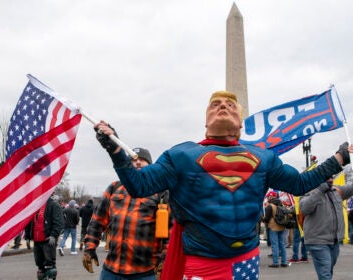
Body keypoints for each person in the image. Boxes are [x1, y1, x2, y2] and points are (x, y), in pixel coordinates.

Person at [93, 90, 353, 279]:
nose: (222, 106)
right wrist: (114, 147)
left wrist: (339, 158)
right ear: (206, 122)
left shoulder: (264, 158)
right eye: (214, 104)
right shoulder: (181, 155)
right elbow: (139, 185)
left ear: (240, 122)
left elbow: (299, 183)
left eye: (230, 104)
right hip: (200, 264)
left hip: (246, 261)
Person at [82, 147, 172, 280]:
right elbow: (97, 221)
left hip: (145, 272)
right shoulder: (114, 188)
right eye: (134, 159)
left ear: (150, 166)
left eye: (143, 160)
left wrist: (165, 259)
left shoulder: (161, 193)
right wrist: (89, 247)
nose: (138, 162)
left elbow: (170, 231)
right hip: (111, 270)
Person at [300, 164, 353, 280]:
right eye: (327, 176)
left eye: (331, 176)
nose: (330, 178)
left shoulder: (336, 190)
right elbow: (304, 208)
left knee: (328, 271)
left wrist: (349, 167)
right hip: (317, 241)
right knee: (325, 274)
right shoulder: (309, 191)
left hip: (334, 241)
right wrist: (321, 189)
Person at [25, 193, 64, 280]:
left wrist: (54, 235)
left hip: (48, 240)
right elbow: (29, 222)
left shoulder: (54, 205)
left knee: (50, 268)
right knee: (40, 267)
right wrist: (27, 236)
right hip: (37, 240)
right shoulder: (35, 206)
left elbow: (59, 222)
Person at [262, 193, 289, 267]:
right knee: (282, 244)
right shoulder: (281, 204)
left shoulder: (269, 206)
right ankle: (284, 262)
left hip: (273, 227)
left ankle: (275, 262)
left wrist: (263, 219)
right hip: (281, 226)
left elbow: (267, 218)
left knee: (275, 245)